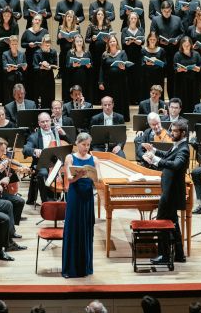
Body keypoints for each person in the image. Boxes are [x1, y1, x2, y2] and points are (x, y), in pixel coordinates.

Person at [142, 119, 190, 265]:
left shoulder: (184, 149)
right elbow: (168, 156)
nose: (171, 133)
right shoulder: (178, 145)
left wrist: (155, 160)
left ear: (183, 133)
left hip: (170, 194)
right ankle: (179, 255)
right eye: (172, 130)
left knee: (162, 223)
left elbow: (175, 165)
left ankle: (164, 256)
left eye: (175, 131)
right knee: (173, 223)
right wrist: (154, 150)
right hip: (170, 192)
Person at [61, 132, 99, 278]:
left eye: (88, 145)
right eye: (83, 144)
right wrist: (79, 175)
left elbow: (98, 179)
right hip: (75, 196)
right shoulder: (70, 157)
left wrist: (93, 176)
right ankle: (70, 269)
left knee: (86, 230)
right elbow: (69, 179)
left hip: (88, 197)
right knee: (72, 229)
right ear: (77, 144)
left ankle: (85, 268)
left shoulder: (94, 159)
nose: (86, 147)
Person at [23, 112, 69, 203]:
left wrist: (63, 134)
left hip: (59, 163)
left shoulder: (57, 132)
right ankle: (47, 201)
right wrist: (34, 151)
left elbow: (70, 143)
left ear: (50, 121)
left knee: (69, 172)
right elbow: (25, 149)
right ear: (39, 123)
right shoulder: (34, 136)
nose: (45, 124)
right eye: (42, 122)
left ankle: (67, 199)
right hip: (42, 163)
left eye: (47, 121)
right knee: (43, 174)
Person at [151, 0, 183, 98]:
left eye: (169, 11)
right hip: (160, 52)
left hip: (173, 52)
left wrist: (177, 39)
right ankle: (158, 99)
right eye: (165, 11)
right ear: (161, 10)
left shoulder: (177, 19)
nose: (167, 13)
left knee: (172, 77)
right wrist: (159, 40)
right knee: (159, 76)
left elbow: (182, 33)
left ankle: (172, 99)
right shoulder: (156, 20)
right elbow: (152, 34)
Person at [98, 35, 131, 117]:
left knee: (120, 100)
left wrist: (124, 67)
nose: (112, 43)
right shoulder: (105, 54)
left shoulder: (122, 52)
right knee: (110, 100)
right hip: (109, 82)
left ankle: (121, 118)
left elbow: (127, 65)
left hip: (121, 81)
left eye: (114, 41)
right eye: (110, 42)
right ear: (108, 43)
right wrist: (100, 82)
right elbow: (102, 69)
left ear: (117, 42)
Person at [85, 8, 113, 104]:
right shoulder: (91, 26)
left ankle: (104, 99)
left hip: (105, 53)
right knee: (94, 74)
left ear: (104, 15)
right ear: (95, 16)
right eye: (98, 14)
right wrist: (92, 39)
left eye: (101, 14)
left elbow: (112, 37)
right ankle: (94, 99)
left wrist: (108, 40)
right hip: (94, 53)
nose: (100, 16)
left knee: (103, 74)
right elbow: (86, 39)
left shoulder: (108, 26)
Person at [0, 6, 18, 106]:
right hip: (0, 51)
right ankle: (3, 100)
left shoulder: (15, 25)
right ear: (2, 15)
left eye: (8, 15)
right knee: (1, 75)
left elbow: (16, 39)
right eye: (4, 15)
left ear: (11, 15)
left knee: (10, 75)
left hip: (11, 52)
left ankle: (12, 99)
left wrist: (10, 40)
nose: (6, 16)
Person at [21, 14, 48, 102]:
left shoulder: (45, 31)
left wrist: (42, 44)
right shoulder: (27, 31)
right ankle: (30, 100)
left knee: (40, 79)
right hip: (30, 57)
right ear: (32, 21)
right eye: (36, 19)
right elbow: (22, 44)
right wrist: (29, 44)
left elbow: (48, 43)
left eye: (39, 20)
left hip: (41, 57)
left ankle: (41, 99)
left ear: (41, 22)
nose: (37, 21)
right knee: (30, 79)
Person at [173, 36, 201, 113]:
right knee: (183, 100)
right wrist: (179, 69)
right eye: (184, 45)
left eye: (188, 45)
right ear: (181, 45)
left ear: (191, 45)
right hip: (182, 82)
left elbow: (200, 66)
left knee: (193, 99)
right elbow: (175, 68)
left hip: (193, 81)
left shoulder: (196, 54)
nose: (186, 47)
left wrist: (197, 69)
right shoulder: (177, 55)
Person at [122, 11, 145, 104]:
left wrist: (138, 42)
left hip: (138, 56)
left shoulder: (140, 29)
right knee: (129, 78)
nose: (133, 20)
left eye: (135, 18)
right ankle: (129, 99)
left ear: (137, 20)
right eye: (131, 18)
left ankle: (136, 99)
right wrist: (127, 42)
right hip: (128, 56)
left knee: (137, 78)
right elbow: (123, 42)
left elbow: (142, 40)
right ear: (129, 19)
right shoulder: (124, 30)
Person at [57, 10, 81, 93]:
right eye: (68, 16)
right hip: (63, 54)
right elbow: (57, 42)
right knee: (65, 76)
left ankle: (75, 94)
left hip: (74, 55)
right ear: (65, 18)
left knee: (74, 75)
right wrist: (61, 37)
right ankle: (65, 97)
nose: (69, 18)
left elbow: (79, 41)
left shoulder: (77, 27)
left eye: (71, 17)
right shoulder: (60, 27)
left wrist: (74, 39)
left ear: (73, 18)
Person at [64, 35, 94, 103]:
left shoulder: (87, 53)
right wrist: (73, 65)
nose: (79, 43)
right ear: (74, 42)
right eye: (77, 41)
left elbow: (91, 66)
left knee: (84, 94)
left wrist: (89, 66)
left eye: (80, 41)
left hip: (84, 78)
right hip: (73, 78)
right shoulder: (70, 52)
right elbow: (67, 67)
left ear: (83, 42)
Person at [1, 35, 27, 106]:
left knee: (20, 97)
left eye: (16, 44)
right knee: (10, 99)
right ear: (9, 44)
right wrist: (10, 68)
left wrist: (25, 67)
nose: (14, 46)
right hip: (10, 79)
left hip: (20, 79)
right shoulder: (5, 54)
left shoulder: (22, 54)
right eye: (12, 44)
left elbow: (24, 66)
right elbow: (4, 67)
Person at [140, 30, 167, 100]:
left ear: (157, 40)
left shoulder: (161, 50)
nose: (152, 41)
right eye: (151, 39)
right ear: (148, 40)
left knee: (158, 95)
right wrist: (146, 63)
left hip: (158, 76)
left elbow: (165, 64)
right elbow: (141, 64)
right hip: (147, 77)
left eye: (154, 39)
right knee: (147, 95)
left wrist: (157, 61)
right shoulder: (143, 50)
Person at [33, 35, 58, 109]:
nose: (47, 46)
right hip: (40, 78)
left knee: (50, 97)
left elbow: (55, 64)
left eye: (49, 44)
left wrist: (50, 66)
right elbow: (34, 66)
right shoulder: (37, 52)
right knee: (41, 99)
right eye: (46, 44)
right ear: (42, 43)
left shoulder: (53, 52)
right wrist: (41, 66)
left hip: (50, 78)